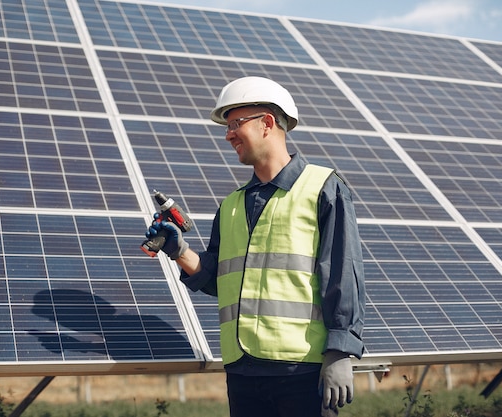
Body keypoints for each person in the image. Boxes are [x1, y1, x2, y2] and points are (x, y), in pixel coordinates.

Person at [145, 76, 365, 417]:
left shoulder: (323, 188)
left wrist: (340, 350)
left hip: (302, 370)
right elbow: (224, 282)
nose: (228, 134)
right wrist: (181, 253)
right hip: (243, 371)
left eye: (235, 123)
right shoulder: (231, 205)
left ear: (267, 123)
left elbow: (343, 274)